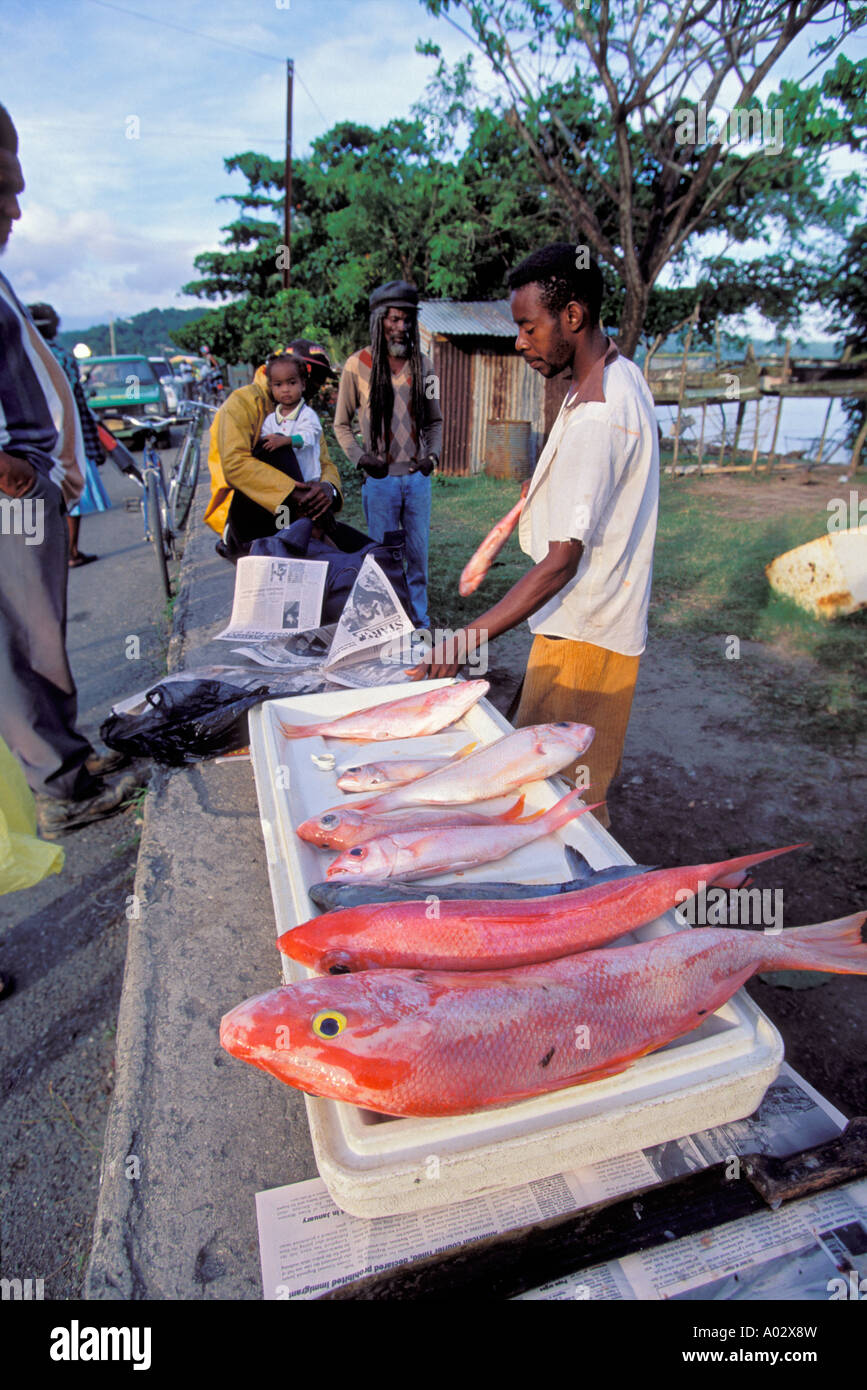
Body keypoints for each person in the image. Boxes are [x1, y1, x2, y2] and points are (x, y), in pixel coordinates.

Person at [411, 243, 659, 830]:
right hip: (575, 626)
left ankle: (575, 904)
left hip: (588, 638)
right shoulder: (611, 374)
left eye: (527, 326)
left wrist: (461, 641)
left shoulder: (601, 410)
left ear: (571, 316)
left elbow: (559, 564)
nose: (519, 341)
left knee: (563, 807)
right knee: (530, 777)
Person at [0, 103, 139, 840]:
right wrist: (16, 475)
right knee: (21, 646)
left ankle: (67, 763)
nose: (17, 209)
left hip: (30, 492)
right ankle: (59, 788)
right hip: (12, 495)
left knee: (42, 634)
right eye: (2, 188)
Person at [334, 280, 442, 628]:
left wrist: (432, 459)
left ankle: (419, 622)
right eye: (393, 319)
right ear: (379, 320)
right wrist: (360, 459)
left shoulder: (425, 365)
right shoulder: (356, 365)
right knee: (381, 558)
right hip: (379, 484)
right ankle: (387, 624)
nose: (401, 327)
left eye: (407, 319)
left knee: (417, 557)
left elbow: (435, 420)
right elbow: (341, 425)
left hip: (416, 481)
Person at [208, 342, 343, 560]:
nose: (316, 385)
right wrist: (293, 492)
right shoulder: (243, 402)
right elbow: (234, 464)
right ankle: (313, 533)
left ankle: (317, 536)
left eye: (319, 379)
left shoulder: (304, 412)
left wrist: (328, 489)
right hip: (246, 514)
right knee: (276, 445)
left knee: (360, 550)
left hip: (292, 513)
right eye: (310, 374)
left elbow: (324, 462)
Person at [28, 301, 111, 566]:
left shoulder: (20, 356)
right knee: (71, 498)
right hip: (63, 438)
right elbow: (75, 403)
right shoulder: (61, 357)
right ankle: (71, 553)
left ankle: (38, 556)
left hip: (27, 443)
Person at [260, 354, 322, 482]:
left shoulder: (307, 415)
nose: (285, 389)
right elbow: (266, 442)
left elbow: (308, 438)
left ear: (303, 385)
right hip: (282, 482)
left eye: (292, 383)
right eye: (278, 385)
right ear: (271, 387)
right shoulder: (271, 420)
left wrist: (286, 440)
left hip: (307, 479)